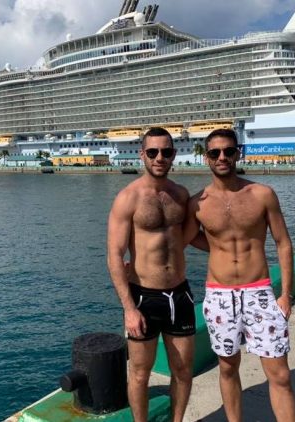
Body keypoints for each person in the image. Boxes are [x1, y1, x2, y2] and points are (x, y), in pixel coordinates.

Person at [184, 128, 295, 422]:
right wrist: (217, 247)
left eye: (228, 151)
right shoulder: (198, 203)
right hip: (219, 295)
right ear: (206, 158)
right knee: (227, 367)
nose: (222, 157)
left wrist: (286, 294)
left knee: (280, 374)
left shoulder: (262, 194)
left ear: (238, 153)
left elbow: (283, 243)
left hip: (260, 292)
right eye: (214, 152)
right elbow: (185, 237)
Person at [107, 127, 195, 422]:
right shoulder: (128, 198)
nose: (160, 158)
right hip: (144, 297)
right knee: (140, 373)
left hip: (180, 294)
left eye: (166, 152)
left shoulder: (181, 195)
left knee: (183, 371)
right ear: (142, 154)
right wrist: (129, 309)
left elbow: (188, 235)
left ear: (173, 155)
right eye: (153, 152)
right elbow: (114, 255)